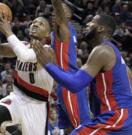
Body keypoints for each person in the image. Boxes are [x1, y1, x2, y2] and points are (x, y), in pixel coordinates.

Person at [33, 14, 132, 134]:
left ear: (100, 28)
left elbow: (75, 84)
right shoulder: (113, 53)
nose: (87, 24)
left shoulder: (103, 50)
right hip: (119, 118)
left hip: (116, 118)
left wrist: (48, 64)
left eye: (91, 22)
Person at [0, 12, 54, 135]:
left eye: (41, 24)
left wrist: (8, 31)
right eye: (33, 22)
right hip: (18, 98)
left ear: (48, 33)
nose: (35, 24)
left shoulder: (48, 51)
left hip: (37, 105)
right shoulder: (22, 46)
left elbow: (25, 56)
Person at [50, 0, 90, 130]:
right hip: (65, 82)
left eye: (59, 10)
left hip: (70, 83)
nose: (53, 13)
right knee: (68, 129)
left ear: (68, 15)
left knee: (82, 128)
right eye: (53, 11)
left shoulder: (64, 27)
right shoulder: (60, 32)